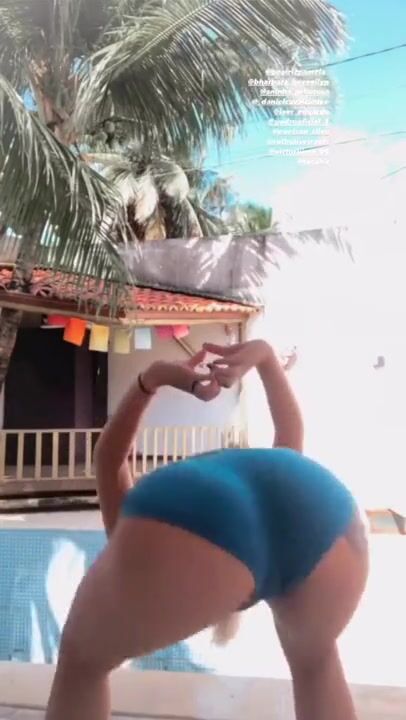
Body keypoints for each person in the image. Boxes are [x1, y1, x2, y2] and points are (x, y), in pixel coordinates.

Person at [45, 339, 369, 720]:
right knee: (316, 662)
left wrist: (151, 380)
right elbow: (289, 444)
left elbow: (108, 458)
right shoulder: (243, 508)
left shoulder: (143, 534)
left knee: (81, 662)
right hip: (329, 509)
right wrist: (265, 358)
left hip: (283, 496)